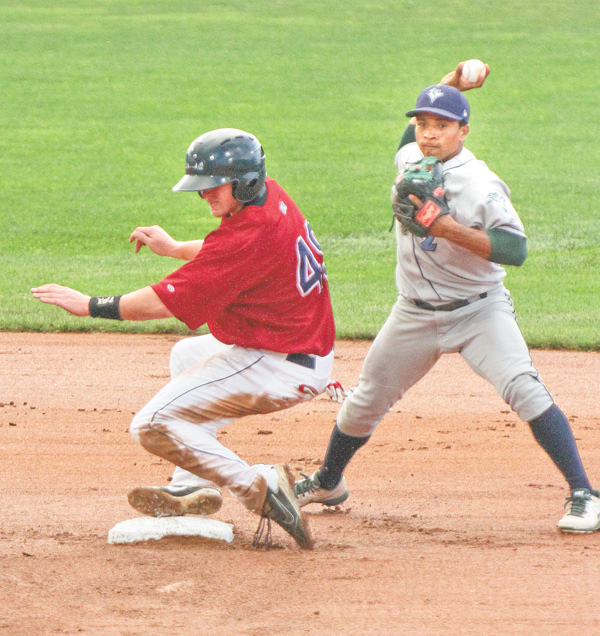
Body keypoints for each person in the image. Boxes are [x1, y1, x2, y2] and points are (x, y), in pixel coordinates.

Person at [294, 62, 600, 534]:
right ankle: (328, 481)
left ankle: (585, 493)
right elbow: (404, 147)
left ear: (464, 131)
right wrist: (449, 85)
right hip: (413, 314)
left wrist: (446, 228)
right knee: (365, 400)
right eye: (422, 124)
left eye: (441, 125)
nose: (429, 134)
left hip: (479, 309)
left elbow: (516, 249)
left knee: (523, 387)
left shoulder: (481, 183)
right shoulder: (411, 161)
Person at [32, 128, 337, 549]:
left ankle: (261, 486)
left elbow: (161, 302)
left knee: (151, 425)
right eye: (200, 188)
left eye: (213, 186)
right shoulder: (270, 196)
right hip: (294, 347)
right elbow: (224, 253)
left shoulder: (250, 234)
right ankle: (191, 487)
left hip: (277, 362)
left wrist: (90, 304)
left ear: (244, 182)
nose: (205, 196)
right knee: (187, 356)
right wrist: (175, 248)